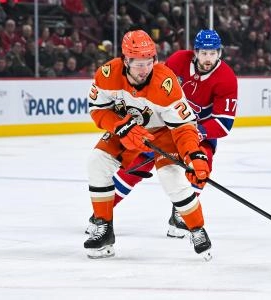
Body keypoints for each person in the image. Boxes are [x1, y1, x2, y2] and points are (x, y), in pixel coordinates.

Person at [87, 29, 238, 239]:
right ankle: (101, 214)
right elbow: (153, 89)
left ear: (220, 53)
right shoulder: (177, 60)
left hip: (196, 131)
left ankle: (180, 215)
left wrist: (193, 134)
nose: (208, 58)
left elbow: (223, 123)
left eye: (213, 53)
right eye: (204, 53)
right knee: (135, 166)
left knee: (200, 166)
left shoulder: (227, 78)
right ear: (195, 52)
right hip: (163, 124)